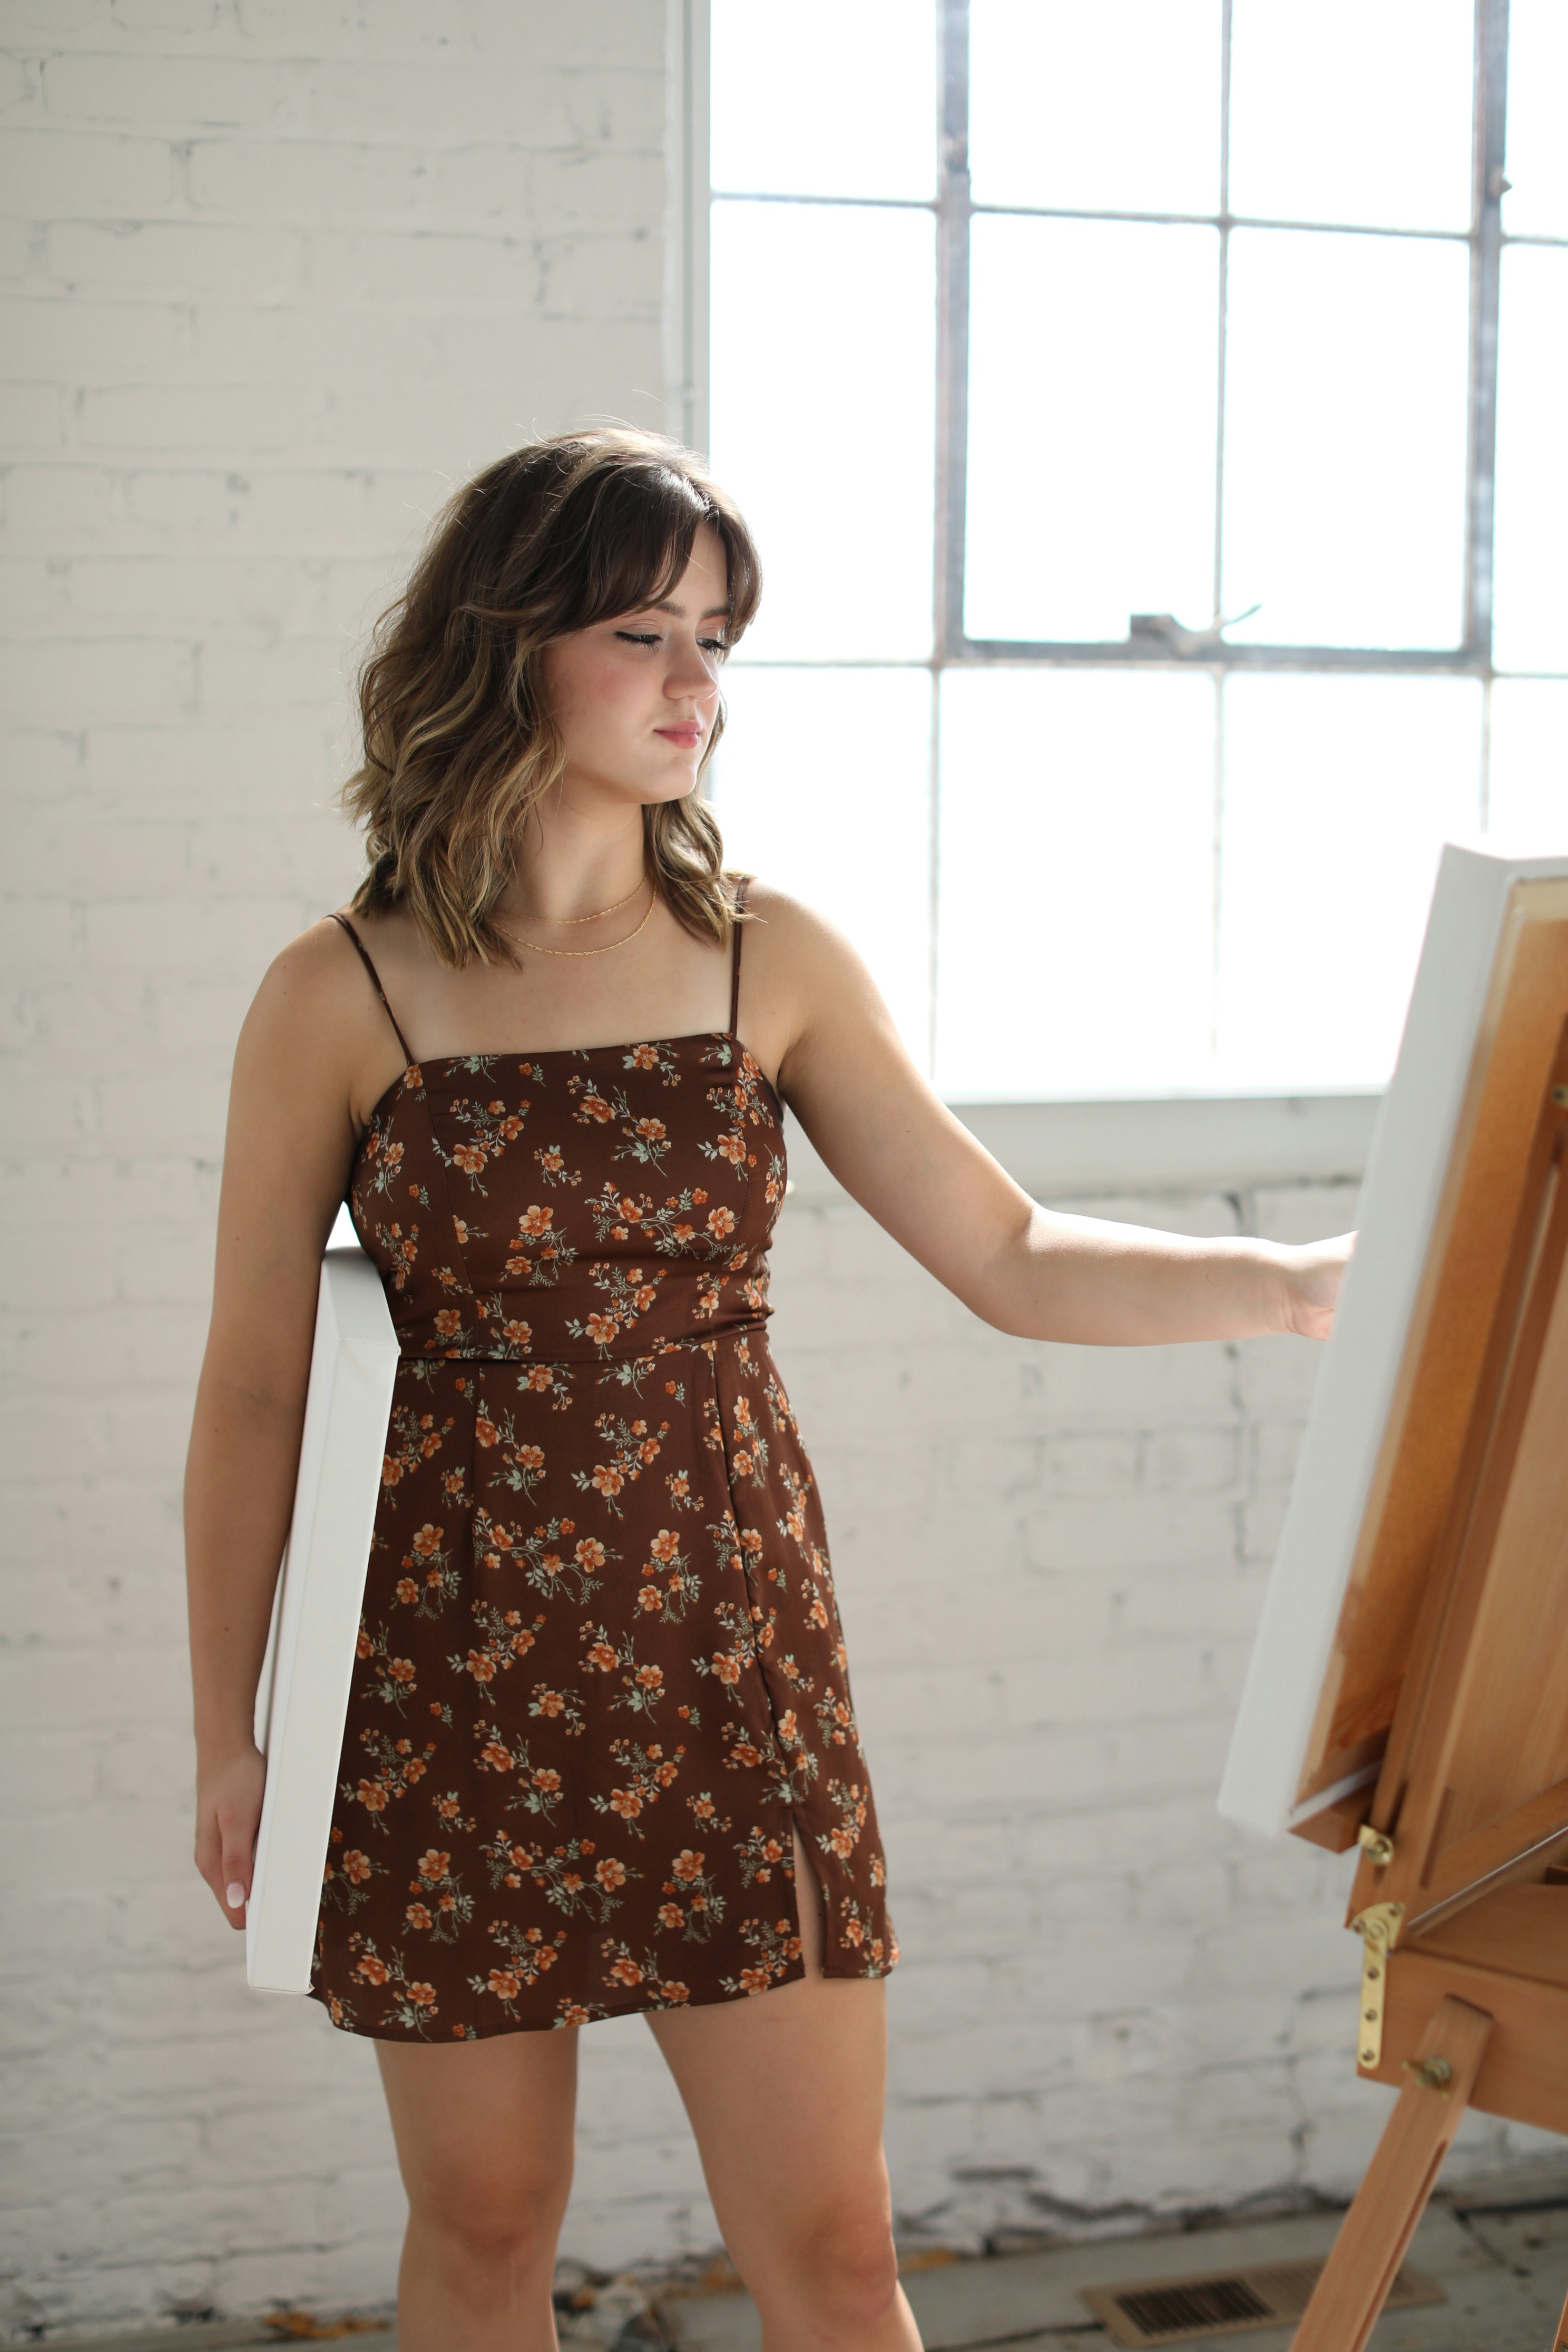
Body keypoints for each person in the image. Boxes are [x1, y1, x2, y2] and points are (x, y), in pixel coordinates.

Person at [184, 428, 1351, 2352]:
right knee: (484, 2226)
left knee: (831, 2250)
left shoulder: (766, 960)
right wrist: (227, 1729)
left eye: (715, 639)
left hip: (732, 1668)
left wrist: (1295, 1286)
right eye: (642, 634)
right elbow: (252, 1392)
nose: (694, 685)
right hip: (447, 1684)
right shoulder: (337, 993)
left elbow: (1009, 1252)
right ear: (511, 640)